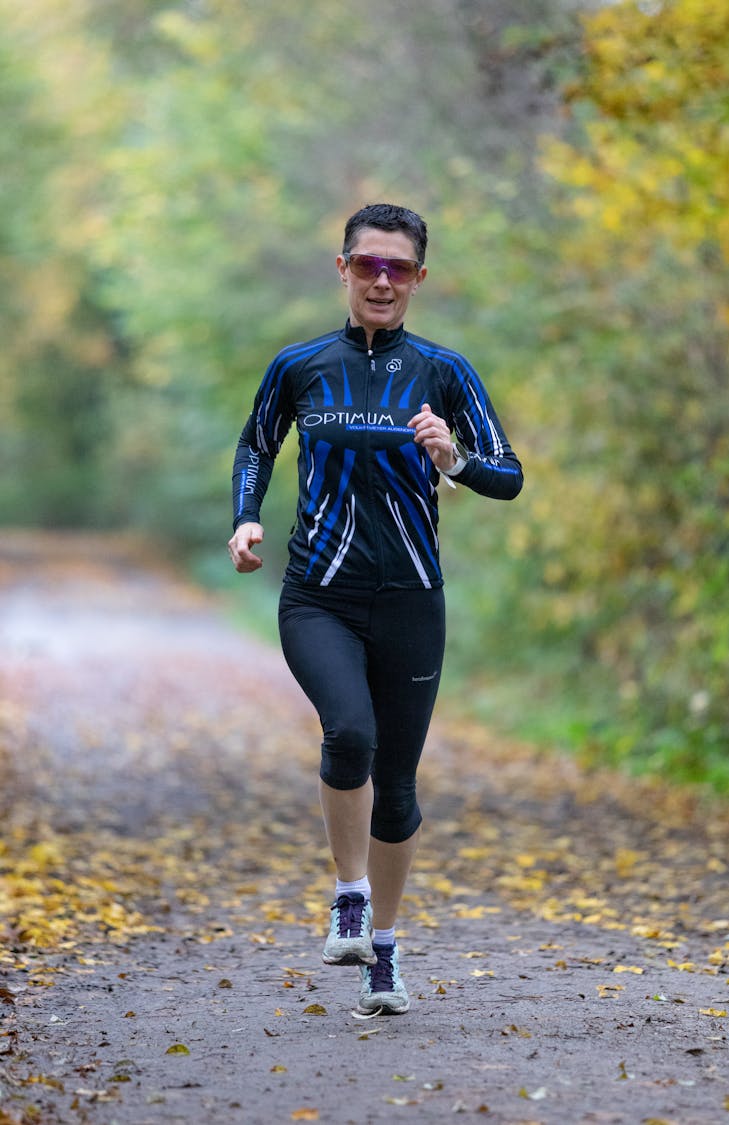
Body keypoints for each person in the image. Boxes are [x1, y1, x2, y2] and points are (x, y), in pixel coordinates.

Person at [228, 203, 523, 1015]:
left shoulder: (443, 372)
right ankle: (349, 893)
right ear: (343, 269)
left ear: (419, 278)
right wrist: (246, 517)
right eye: (368, 265)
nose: (382, 280)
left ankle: (383, 954)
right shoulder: (300, 364)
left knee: (398, 785)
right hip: (317, 595)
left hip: (411, 602)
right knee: (349, 730)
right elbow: (257, 443)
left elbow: (509, 473)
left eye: (398, 268)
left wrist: (454, 459)